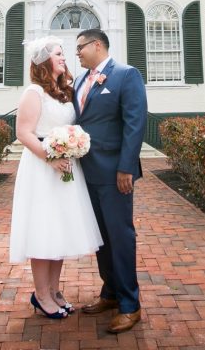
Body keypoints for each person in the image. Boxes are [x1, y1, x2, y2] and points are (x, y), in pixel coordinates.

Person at [9, 36, 103, 319]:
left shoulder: (64, 91)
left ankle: (53, 290)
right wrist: (51, 158)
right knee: (43, 229)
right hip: (42, 169)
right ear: (44, 61)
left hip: (65, 167)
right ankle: (41, 294)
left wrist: (72, 145)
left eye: (64, 53)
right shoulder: (33, 93)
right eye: (59, 54)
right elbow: (23, 133)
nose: (64, 58)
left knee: (59, 229)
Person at [73, 28, 147, 333]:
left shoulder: (126, 75)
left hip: (115, 173)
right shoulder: (80, 80)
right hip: (86, 172)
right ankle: (110, 292)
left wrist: (126, 168)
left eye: (80, 47)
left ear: (98, 45)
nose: (76, 52)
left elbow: (135, 122)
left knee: (120, 236)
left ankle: (131, 305)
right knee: (101, 239)